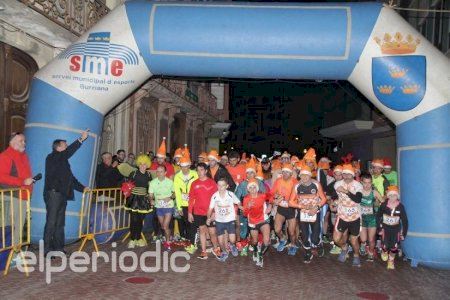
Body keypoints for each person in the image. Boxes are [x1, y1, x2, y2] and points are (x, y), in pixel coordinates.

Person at [43, 130, 90, 256]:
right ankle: (46, 250)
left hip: (62, 195)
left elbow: (71, 179)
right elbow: (67, 153)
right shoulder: (52, 157)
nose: (67, 146)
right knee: (51, 222)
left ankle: (59, 248)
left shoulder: (63, 161)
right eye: (65, 144)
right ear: (58, 147)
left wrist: (83, 188)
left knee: (60, 223)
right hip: (53, 194)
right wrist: (81, 139)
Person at [0, 132, 34, 247]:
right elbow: (1, 176)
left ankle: (14, 253)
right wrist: (22, 182)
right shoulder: (6, 155)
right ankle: (9, 255)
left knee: (18, 227)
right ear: (12, 142)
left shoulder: (23, 156)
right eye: (21, 141)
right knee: (11, 228)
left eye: (24, 141)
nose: (24, 143)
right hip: (12, 196)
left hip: (22, 196)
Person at [289, 165, 327, 263]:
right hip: (302, 214)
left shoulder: (316, 184)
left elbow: (323, 199)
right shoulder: (297, 186)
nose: (304, 178)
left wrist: (316, 207)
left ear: (310, 176)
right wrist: (302, 207)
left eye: (306, 175)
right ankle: (308, 252)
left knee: (314, 238)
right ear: (300, 176)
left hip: (315, 213)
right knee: (305, 236)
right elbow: (290, 202)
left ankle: (318, 244)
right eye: (302, 176)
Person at [188, 163, 221, 260]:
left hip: (210, 212)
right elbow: (191, 199)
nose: (199, 172)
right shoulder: (194, 183)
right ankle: (203, 251)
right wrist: (190, 212)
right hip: (198, 212)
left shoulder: (212, 183)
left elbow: (216, 198)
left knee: (212, 232)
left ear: (206, 171)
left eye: (201, 170)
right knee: (202, 231)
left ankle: (216, 249)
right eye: (197, 170)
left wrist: (214, 212)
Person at [333, 164, 363, 267]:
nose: (346, 176)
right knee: (336, 239)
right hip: (342, 215)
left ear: (353, 175)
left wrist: (346, 191)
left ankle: (356, 255)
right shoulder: (337, 184)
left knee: (353, 240)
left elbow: (358, 199)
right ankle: (344, 248)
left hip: (355, 217)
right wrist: (334, 202)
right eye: (344, 174)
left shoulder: (358, 185)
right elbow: (336, 197)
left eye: (348, 174)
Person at [207, 178, 242, 262]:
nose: (220, 187)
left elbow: (238, 202)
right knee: (220, 241)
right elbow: (210, 208)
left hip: (230, 220)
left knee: (232, 239)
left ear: (226, 186)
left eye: (223, 185)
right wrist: (208, 218)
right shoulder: (215, 196)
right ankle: (224, 252)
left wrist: (240, 206)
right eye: (219, 185)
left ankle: (232, 245)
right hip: (219, 221)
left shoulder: (230, 194)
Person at [124, 154, 153, 248]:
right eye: (141, 164)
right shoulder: (134, 173)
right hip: (134, 199)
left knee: (140, 220)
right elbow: (127, 186)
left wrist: (150, 197)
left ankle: (139, 238)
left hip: (143, 200)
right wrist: (126, 192)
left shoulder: (149, 175)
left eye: (144, 164)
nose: (142, 165)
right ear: (138, 164)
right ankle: (132, 239)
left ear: (147, 164)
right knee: (134, 220)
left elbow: (150, 188)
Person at [242, 179, 273, 267]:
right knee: (254, 241)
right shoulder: (246, 198)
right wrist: (248, 206)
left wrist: (270, 205)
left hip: (263, 220)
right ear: (248, 189)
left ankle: (260, 255)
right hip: (252, 222)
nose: (252, 189)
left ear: (257, 188)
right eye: (250, 187)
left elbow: (271, 196)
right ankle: (255, 250)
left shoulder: (262, 195)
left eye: (254, 187)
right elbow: (244, 214)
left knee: (266, 241)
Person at [377, 185, 408, 270]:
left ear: (397, 196)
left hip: (396, 230)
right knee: (385, 246)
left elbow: (405, 221)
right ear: (388, 196)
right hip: (385, 229)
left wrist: (403, 234)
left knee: (394, 247)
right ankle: (384, 251)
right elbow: (378, 216)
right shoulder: (384, 205)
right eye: (390, 195)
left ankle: (391, 261)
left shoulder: (400, 207)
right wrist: (379, 229)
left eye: (394, 195)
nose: (392, 197)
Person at [173, 152, 198, 253]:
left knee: (192, 224)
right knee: (186, 223)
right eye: (182, 166)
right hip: (183, 204)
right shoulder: (177, 176)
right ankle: (189, 241)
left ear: (189, 165)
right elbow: (177, 194)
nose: (184, 169)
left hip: (193, 204)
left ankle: (193, 244)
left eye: (186, 166)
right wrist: (179, 207)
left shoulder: (195, 174)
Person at [271, 163, 298, 253]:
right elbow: (271, 194)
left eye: (287, 172)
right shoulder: (278, 181)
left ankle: (293, 244)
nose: (285, 174)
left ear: (291, 173)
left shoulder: (295, 182)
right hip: (281, 208)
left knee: (291, 232)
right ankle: (282, 239)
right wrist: (274, 198)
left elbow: (299, 197)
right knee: (277, 229)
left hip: (291, 209)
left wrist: (290, 200)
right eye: (284, 172)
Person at [149, 165, 175, 251]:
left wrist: (170, 198)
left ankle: (167, 242)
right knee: (163, 227)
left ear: (165, 173)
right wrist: (151, 200)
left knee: (165, 225)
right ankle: (168, 237)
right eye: (158, 171)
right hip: (159, 206)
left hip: (168, 206)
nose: (159, 173)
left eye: (161, 171)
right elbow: (150, 195)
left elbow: (175, 194)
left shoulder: (170, 182)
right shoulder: (152, 182)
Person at [359, 173, 383, 261]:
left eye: (369, 183)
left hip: (372, 219)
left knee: (371, 239)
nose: (367, 185)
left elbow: (383, 202)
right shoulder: (358, 191)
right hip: (362, 219)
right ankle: (362, 244)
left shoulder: (374, 192)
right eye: (365, 182)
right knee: (363, 239)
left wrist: (379, 204)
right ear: (361, 182)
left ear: (371, 182)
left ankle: (370, 252)